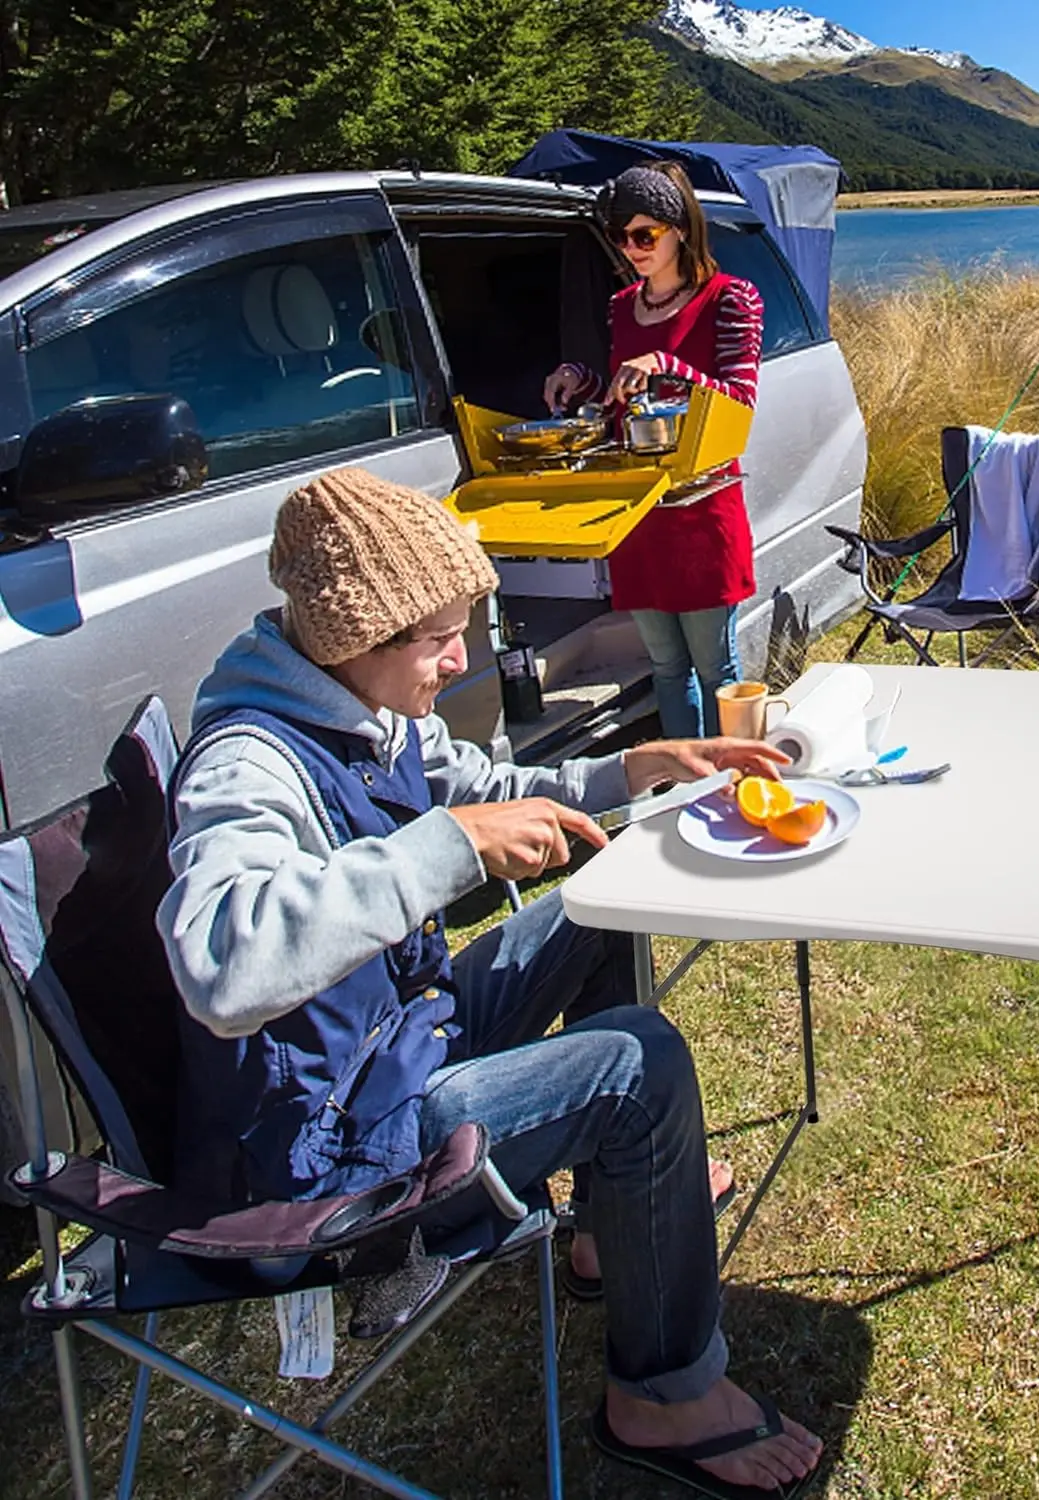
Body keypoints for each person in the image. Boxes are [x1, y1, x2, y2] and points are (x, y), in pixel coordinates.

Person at [156, 467, 821, 1495]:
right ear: (352, 641)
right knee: (634, 1066)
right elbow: (220, 964)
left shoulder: (363, 710)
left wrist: (635, 769)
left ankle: (610, 1228)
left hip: (404, 1042)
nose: (461, 658)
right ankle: (664, 1396)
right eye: (438, 639)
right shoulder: (249, 762)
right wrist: (443, 848)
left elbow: (480, 788)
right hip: (338, 1152)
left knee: (597, 898)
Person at [543, 161, 765, 740]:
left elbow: (739, 402)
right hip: (640, 509)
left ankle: (739, 784)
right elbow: (626, 396)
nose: (631, 248)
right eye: (622, 237)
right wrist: (582, 379)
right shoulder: (622, 306)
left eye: (645, 235)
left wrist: (667, 365)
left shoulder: (731, 298)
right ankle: (685, 783)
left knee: (717, 668)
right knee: (665, 667)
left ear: (681, 230)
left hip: (703, 506)